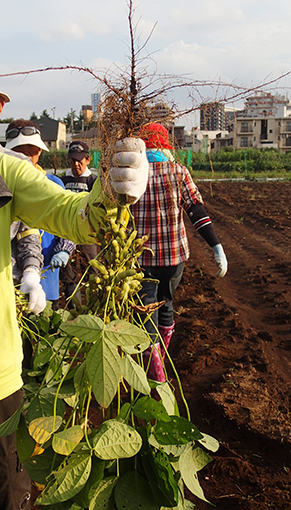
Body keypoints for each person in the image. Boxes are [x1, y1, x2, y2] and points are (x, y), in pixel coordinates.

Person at [0, 132, 148, 510]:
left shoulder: (6, 169)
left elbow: (74, 215)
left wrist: (112, 196)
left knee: (6, 484)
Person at [131, 123, 228, 383]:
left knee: (145, 309)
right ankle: (160, 362)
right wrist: (215, 245)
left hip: (141, 259)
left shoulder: (132, 175)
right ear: (166, 146)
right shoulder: (177, 171)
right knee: (166, 302)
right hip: (174, 258)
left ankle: (156, 375)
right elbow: (195, 210)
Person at [6, 120, 76, 310]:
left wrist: (64, 249)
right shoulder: (7, 185)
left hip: (46, 272)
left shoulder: (53, 183)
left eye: (32, 148)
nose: (27, 154)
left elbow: (68, 224)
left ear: (39, 152)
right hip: (13, 277)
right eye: (20, 149)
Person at [0, 93, 45, 314]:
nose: (26, 159)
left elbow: (28, 233)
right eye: (19, 152)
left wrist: (31, 272)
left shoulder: (46, 184)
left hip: (11, 285)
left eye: (31, 152)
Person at [60, 141, 98, 307]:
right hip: (65, 232)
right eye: (72, 161)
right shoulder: (63, 180)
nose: (76, 164)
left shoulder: (92, 181)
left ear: (88, 160)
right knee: (69, 274)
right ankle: (73, 310)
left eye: (80, 161)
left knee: (93, 271)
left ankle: (92, 307)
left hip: (87, 235)